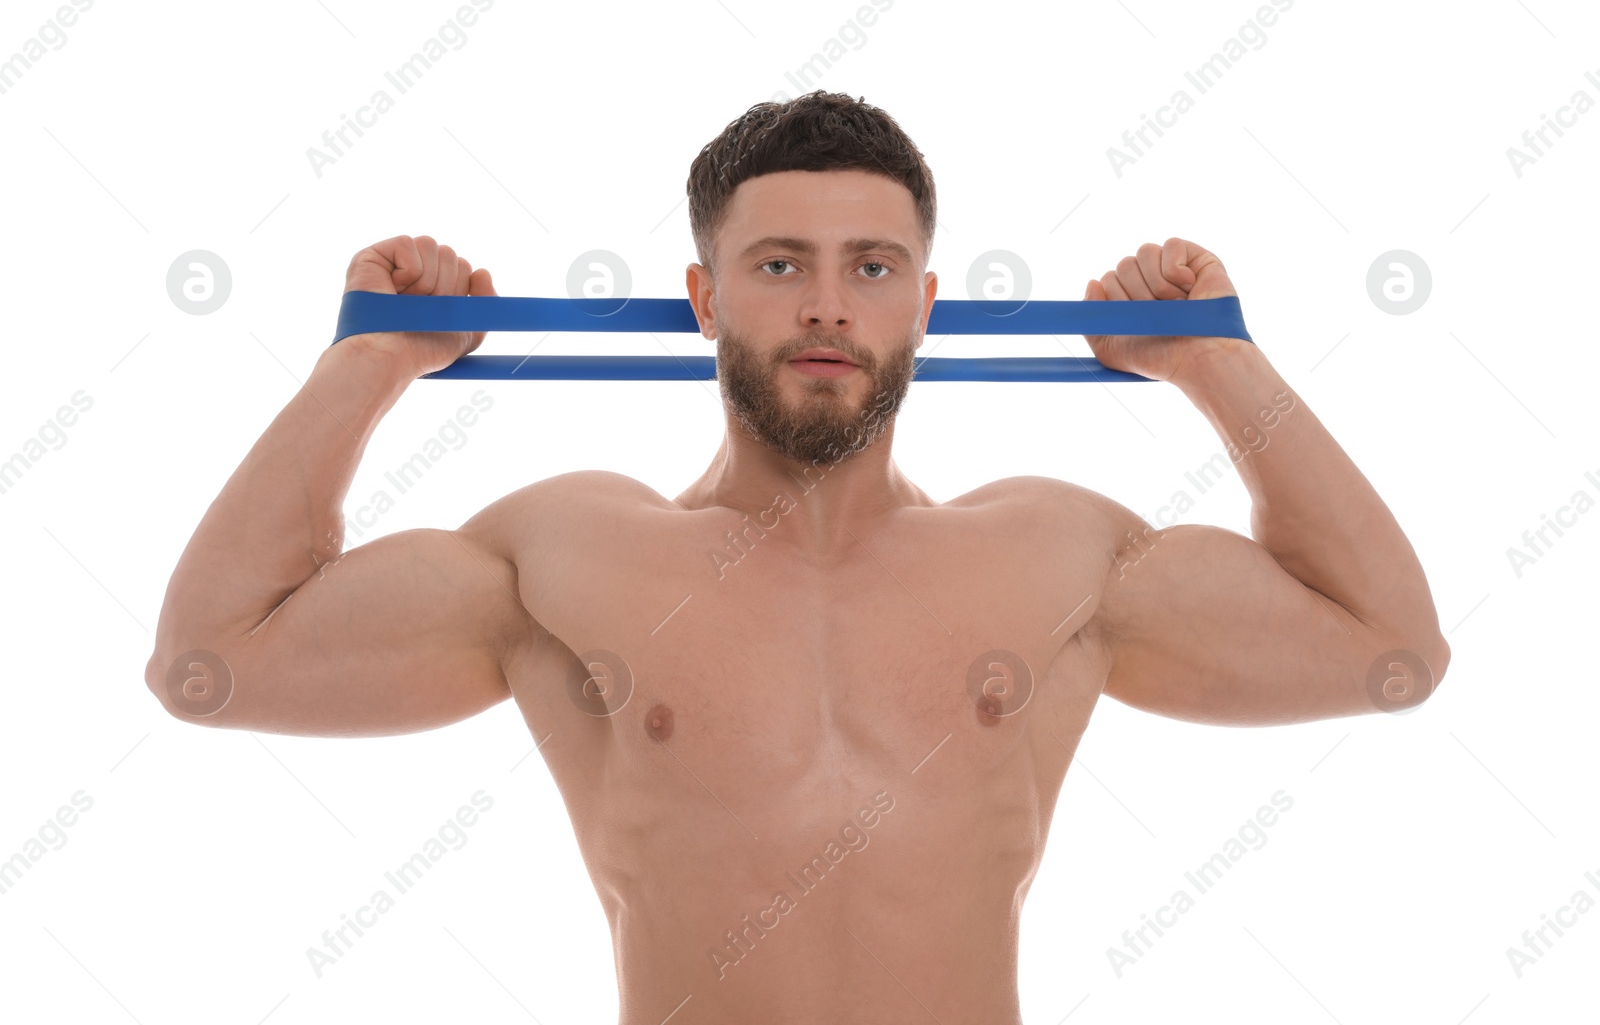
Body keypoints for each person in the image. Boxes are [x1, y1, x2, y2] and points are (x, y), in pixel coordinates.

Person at [145, 90, 1450, 1024]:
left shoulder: (1055, 551)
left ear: (924, 307)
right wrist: (369, 360)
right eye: (781, 264)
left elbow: (1389, 652)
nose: (829, 300)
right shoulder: (573, 551)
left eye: (872, 266)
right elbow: (214, 664)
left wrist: (1215, 362)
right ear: (707, 297)